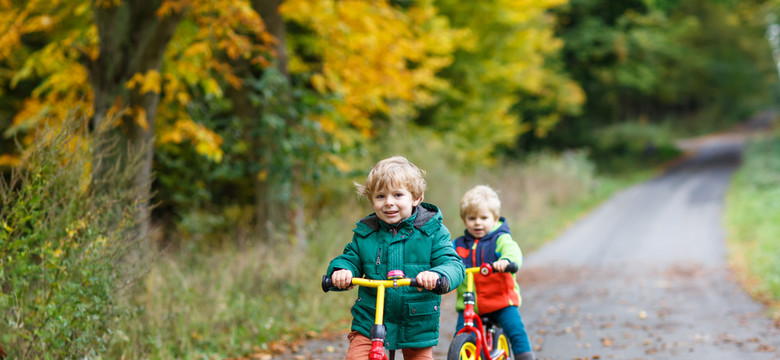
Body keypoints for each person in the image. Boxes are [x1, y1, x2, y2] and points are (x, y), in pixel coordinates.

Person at [327, 155, 465, 360]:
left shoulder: (433, 231)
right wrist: (342, 271)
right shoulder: (366, 232)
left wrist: (438, 275)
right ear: (372, 200)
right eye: (380, 196)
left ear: (416, 198)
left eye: (398, 195)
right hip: (370, 318)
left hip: (417, 318)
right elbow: (351, 257)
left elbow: (453, 264)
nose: (388, 203)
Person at [452, 185, 535, 360]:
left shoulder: (500, 239)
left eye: (484, 217)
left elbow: (512, 251)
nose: (477, 223)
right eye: (472, 218)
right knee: (460, 336)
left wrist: (506, 261)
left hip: (500, 301)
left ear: (495, 218)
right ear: (464, 220)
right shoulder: (458, 244)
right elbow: (445, 257)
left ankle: (525, 356)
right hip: (470, 306)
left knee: (515, 330)